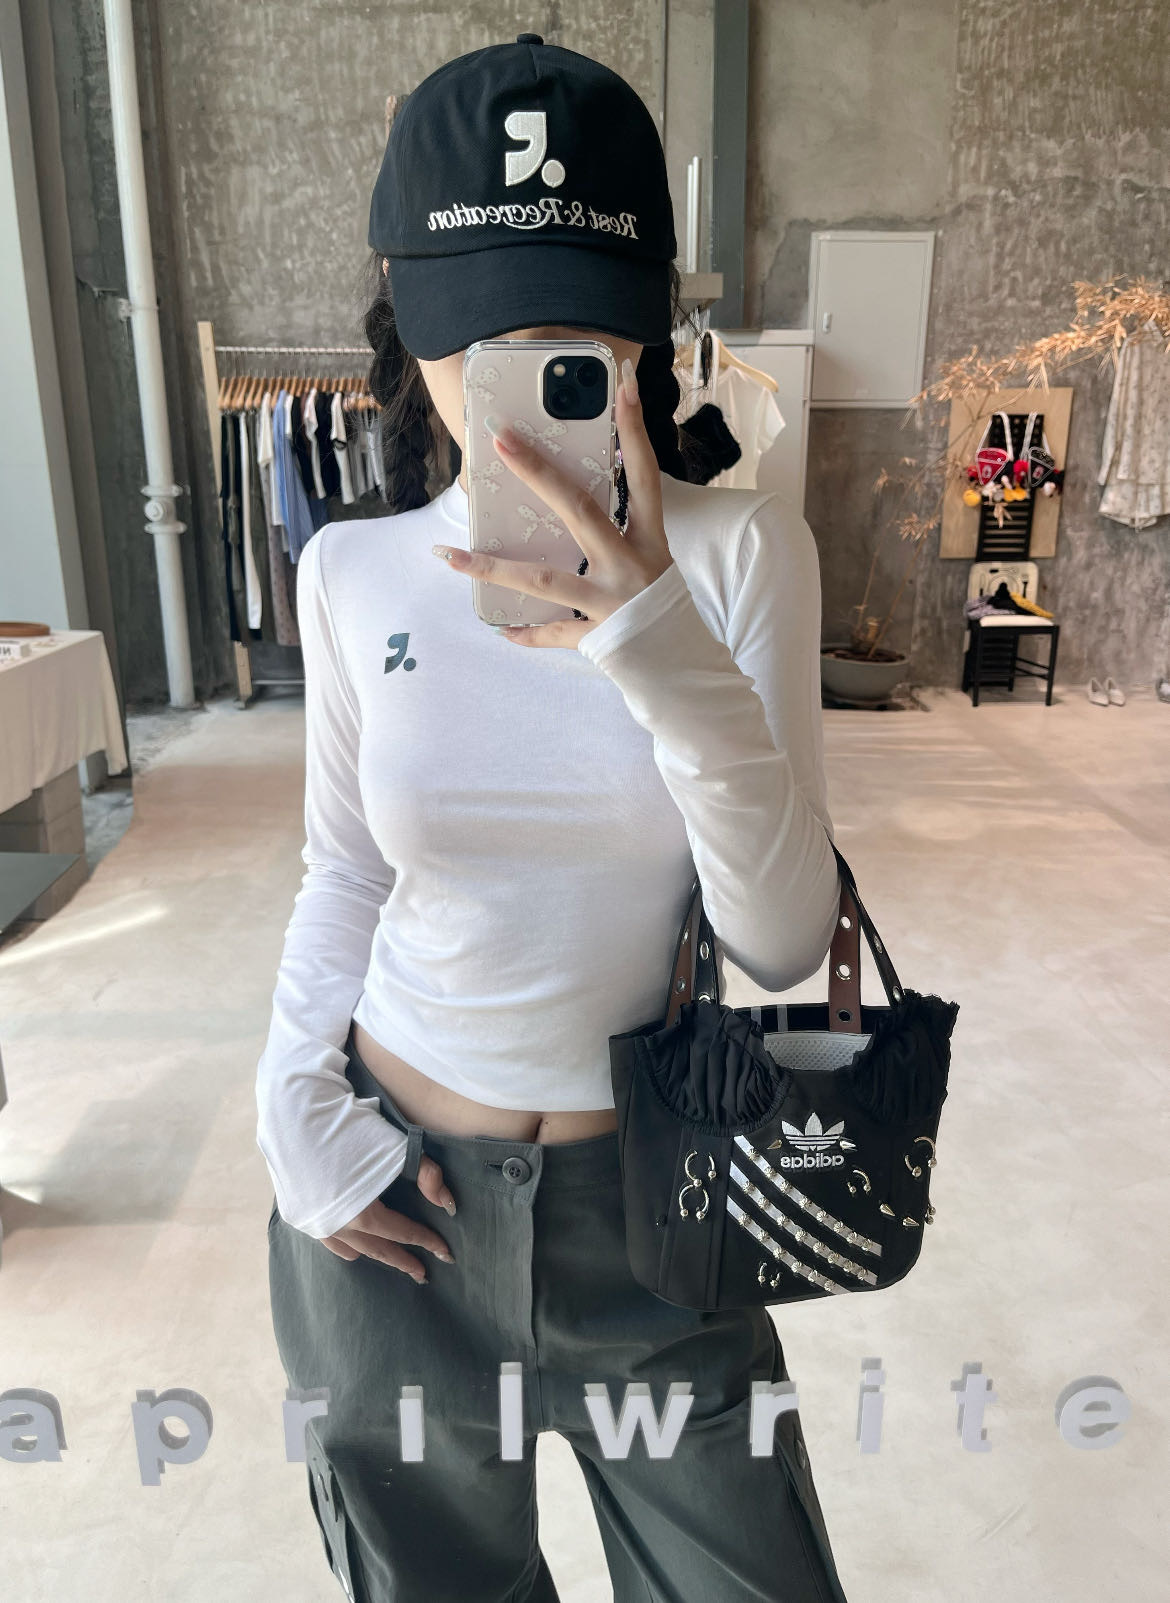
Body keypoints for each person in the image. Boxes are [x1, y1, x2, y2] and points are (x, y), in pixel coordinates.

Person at [258, 33, 849, 1603]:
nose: (530, 370)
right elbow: (344, 871)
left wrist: (652, 638)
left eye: (579, 332)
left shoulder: (743, 557)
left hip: (655, 1216)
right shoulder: (351, 571)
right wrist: (289, 1103)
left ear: (648, 333)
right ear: (411, 328)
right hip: (391, 1210)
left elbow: (781, 941)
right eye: (488, 330)